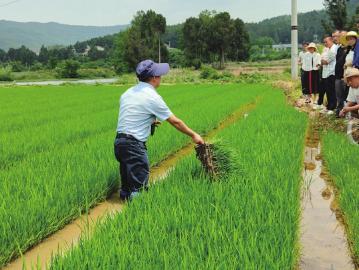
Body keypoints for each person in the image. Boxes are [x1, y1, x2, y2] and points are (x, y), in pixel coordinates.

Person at [114, 59, 205, 200]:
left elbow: (131, 115)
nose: (161, 78)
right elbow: (175, 121)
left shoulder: (127, 93)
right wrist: (194, 135)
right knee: (139, 190)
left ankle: (123, 214)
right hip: (134, 146)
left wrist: (149, 121)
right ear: (154, 78)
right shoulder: (152, 97)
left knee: (126, 186)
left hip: (120, 143)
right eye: (160, 75)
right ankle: (137, 215)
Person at [319, 36, 338, 114]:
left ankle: (332, 107)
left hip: (331, 73)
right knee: (328, 91)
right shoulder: (328, 49)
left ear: (331, 41)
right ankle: (329, 106)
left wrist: (322, 60)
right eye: (324, 42)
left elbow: (325, 61)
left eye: (326, 42)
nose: (325, 43)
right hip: (327, 73)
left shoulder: (334, 49)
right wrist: (322, 60)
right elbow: (322, 60)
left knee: (331, 91)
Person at [334, 31, 349, 117]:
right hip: (338, 75)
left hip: (345, 76)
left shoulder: (350, 49)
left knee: (346, 96)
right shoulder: (339, 49)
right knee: (339, 95)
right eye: (340, 37)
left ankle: (346, 113)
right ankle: (339, 112)